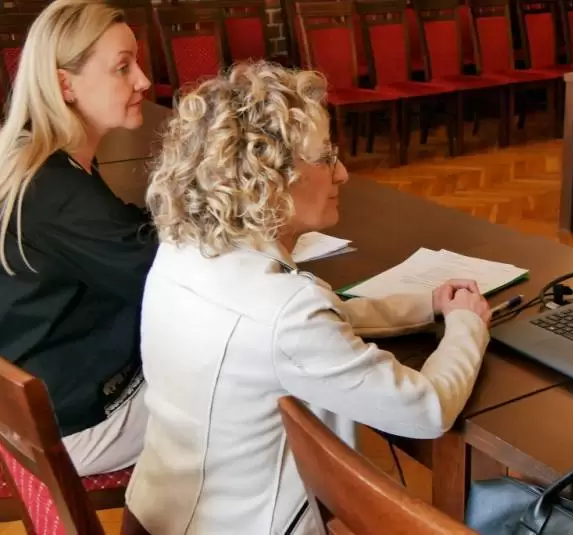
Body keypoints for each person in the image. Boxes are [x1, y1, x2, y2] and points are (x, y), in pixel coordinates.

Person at [126, 61, 491, 535]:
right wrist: (467, 323)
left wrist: (428, 305)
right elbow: (428, 410)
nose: (342, 173)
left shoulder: (184, 247)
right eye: (325, 158)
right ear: (268, 178)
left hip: (153, 512)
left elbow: (315, 324)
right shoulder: (287, 312)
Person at [0, 0, 155, 475]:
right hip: (75, 422)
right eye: (123, 67)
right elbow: (167, 282)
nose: (143, 81)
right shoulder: (58, 192)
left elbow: (118, 235)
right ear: (65, 84)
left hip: (33, 400)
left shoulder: (35, 158)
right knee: (268, 390)